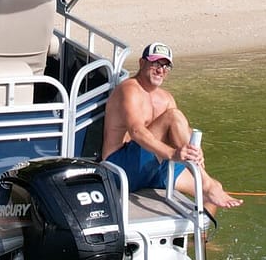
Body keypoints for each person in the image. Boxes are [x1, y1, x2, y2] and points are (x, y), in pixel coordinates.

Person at [101, 43, 240, 213]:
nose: (161, 70)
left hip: (153, 167)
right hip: (119, 168)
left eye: (166, 66)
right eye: (156, 64)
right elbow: (136, 132)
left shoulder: (166, 98)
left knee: (209, 196)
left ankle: (203, 239)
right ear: (141, 63)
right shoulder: (129, 89)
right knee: (173, 116)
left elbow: (181, 130)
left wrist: (197, 150)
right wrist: (172, 154)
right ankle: (207, 182)